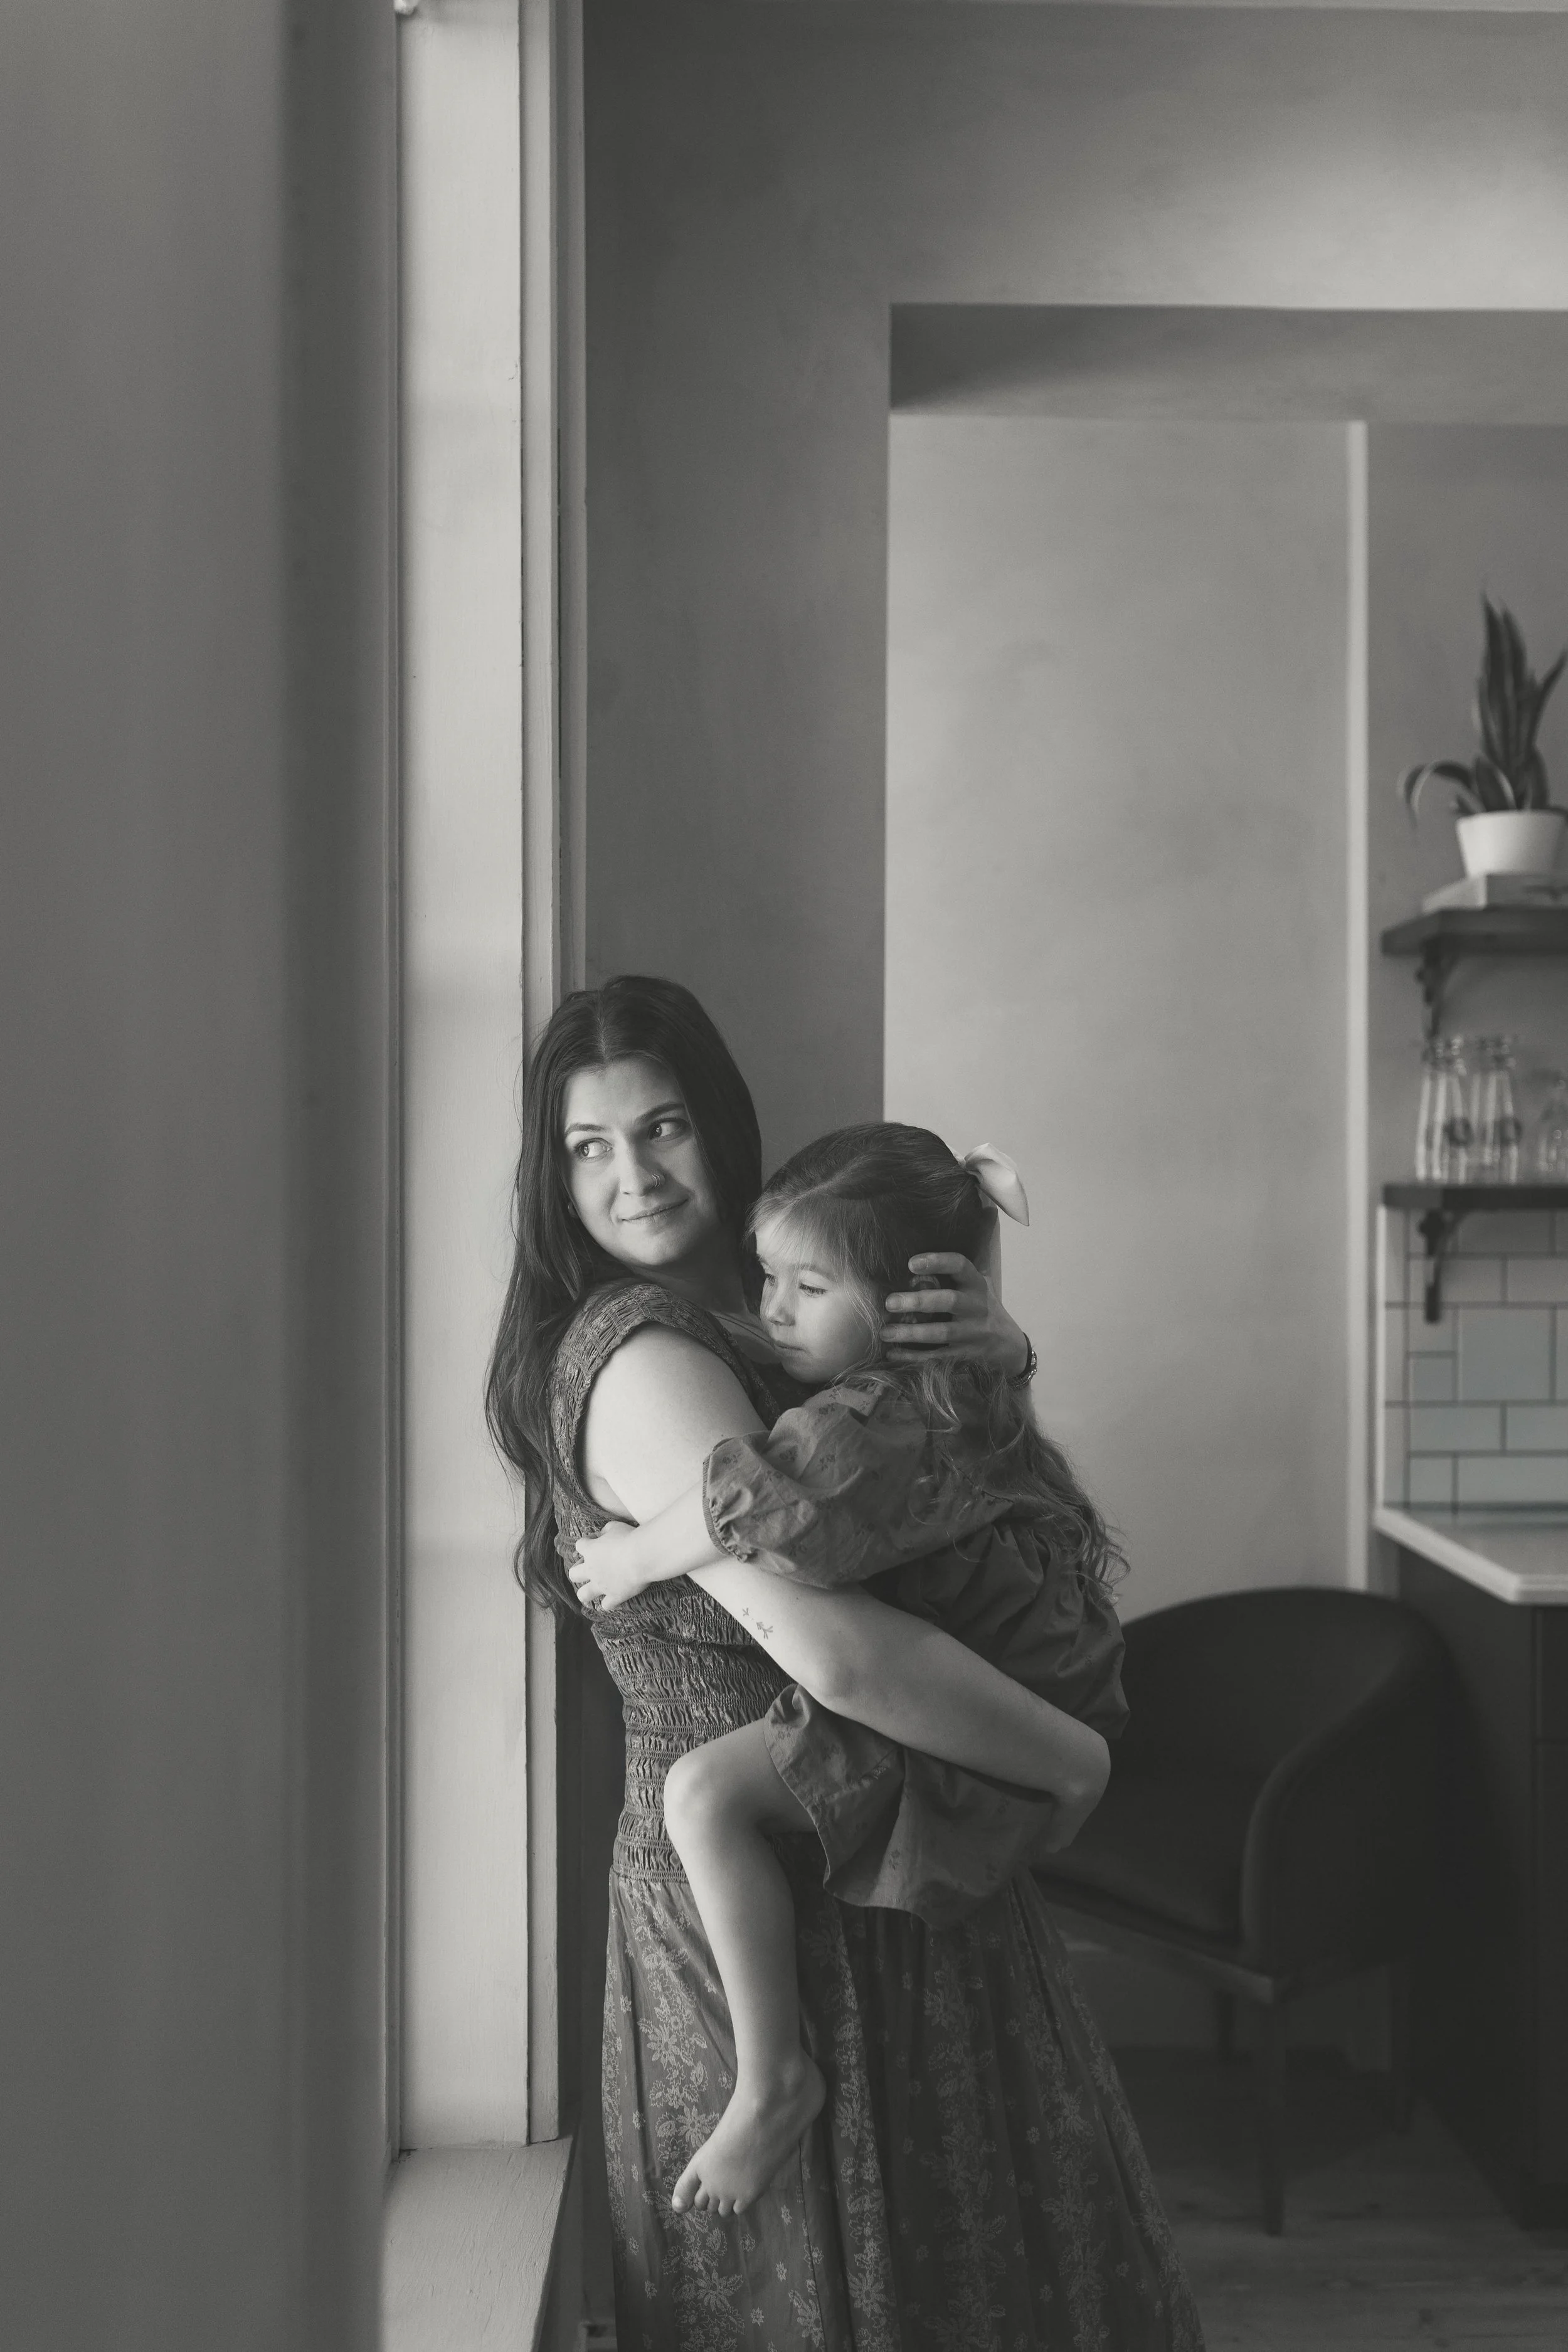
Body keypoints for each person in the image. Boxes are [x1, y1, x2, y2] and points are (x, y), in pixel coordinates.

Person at [487, 974, 1205, 2352]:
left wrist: (995, 1362)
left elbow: (947, 1505)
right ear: (552, 1175)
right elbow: (829, 1646)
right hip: (778, 1881)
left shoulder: (797, 1307)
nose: (634, 1175)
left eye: (664, 1126)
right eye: (588, 1146)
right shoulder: (640, 1356)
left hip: (889, 1827)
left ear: (721, 1125)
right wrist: (1071, 1759)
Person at [568, 1122, 1131, 2222]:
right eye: (769, 1276)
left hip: (991, 1700)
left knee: (702, 1794)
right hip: (1033, 1676)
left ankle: (773, 2078)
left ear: (902, 1307)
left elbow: (758, 1503)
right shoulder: (950, 1384)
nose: (774, 1308)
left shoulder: (869, 1421)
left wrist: (633, 1557)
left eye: (808, 1287)